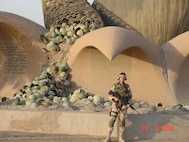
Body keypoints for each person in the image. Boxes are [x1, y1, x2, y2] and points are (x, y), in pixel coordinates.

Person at [104, 72, 132, 142]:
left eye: (123, 78)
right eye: (121, 77)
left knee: (122, 121)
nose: (122, 79)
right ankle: (108, 137)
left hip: (124, 106)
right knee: (112, 119)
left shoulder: (127, 87)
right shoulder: (115, 86)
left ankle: (121, 138)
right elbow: (109, 94)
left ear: (125, 78)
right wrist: (113, 98)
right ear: (119, 78)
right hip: (116, 105)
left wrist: (129, 103)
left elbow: (130, 96)